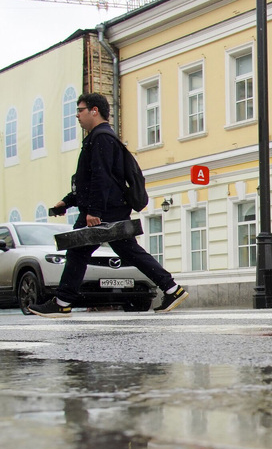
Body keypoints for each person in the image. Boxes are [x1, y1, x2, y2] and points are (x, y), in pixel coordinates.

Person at [30, 93, 188, 317]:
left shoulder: (102, 138)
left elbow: (101, 177)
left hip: (103, 210)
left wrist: (94, 211)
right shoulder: (98, 137)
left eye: (80, 109)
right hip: (108, 208)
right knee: (128, 251)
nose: (77, 115)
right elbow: (89, 178)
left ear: (94, 110)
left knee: (78, 251)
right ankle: (172, 288)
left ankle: (62, 301)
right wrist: (68, 201)